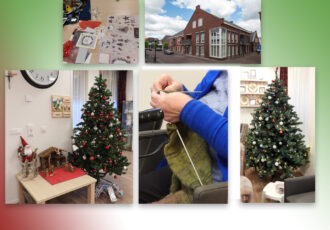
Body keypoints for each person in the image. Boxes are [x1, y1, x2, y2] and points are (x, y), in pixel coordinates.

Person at [139, 70, 228, 203]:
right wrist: (181, 91)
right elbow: (200, 102)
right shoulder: (217, 72)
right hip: (186, 163)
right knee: (139, 189)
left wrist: (186, 109)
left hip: (213, 181)